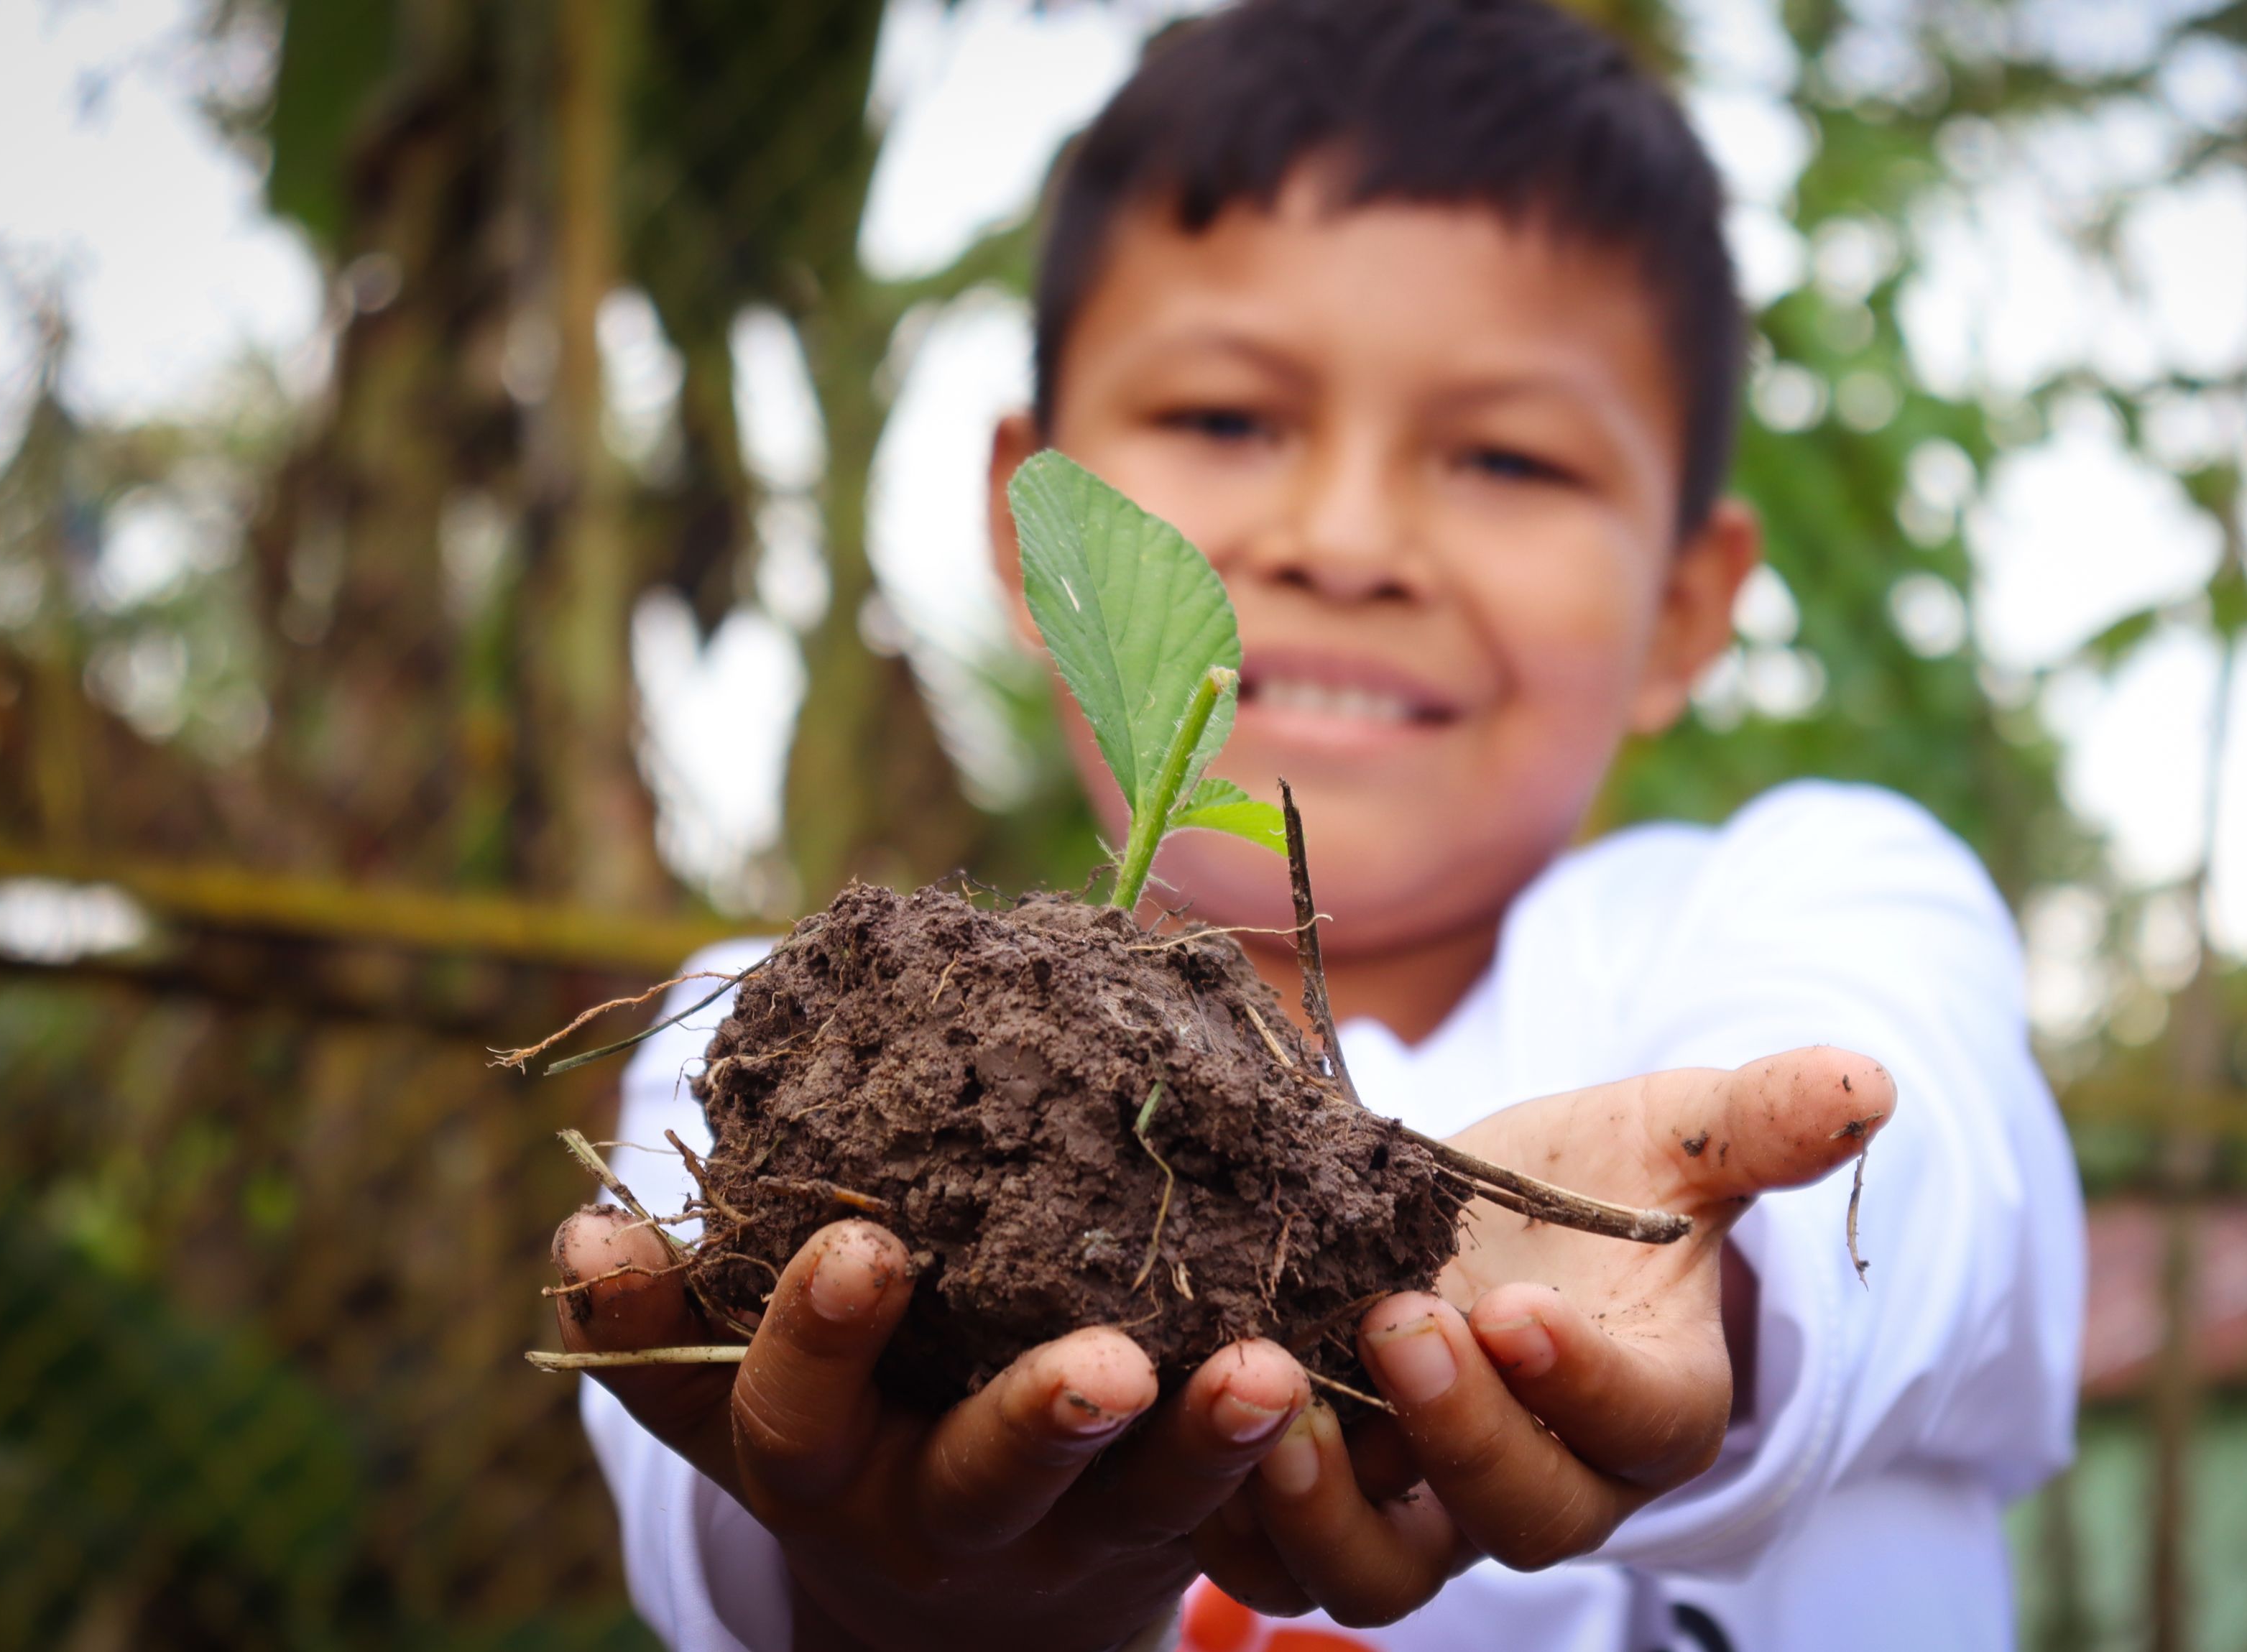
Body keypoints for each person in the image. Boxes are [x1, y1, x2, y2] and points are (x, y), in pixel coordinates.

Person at [550, 1, 2083, 1647]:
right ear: (1025, 519)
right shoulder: (820, 1041)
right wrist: (933, 1579)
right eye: (1227, 419)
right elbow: (735, 1502)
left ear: (1684, 609)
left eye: (1502, 455)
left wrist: (1719, 1268)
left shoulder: (1802, 901)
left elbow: (1939, 1174)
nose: (1345, 539)